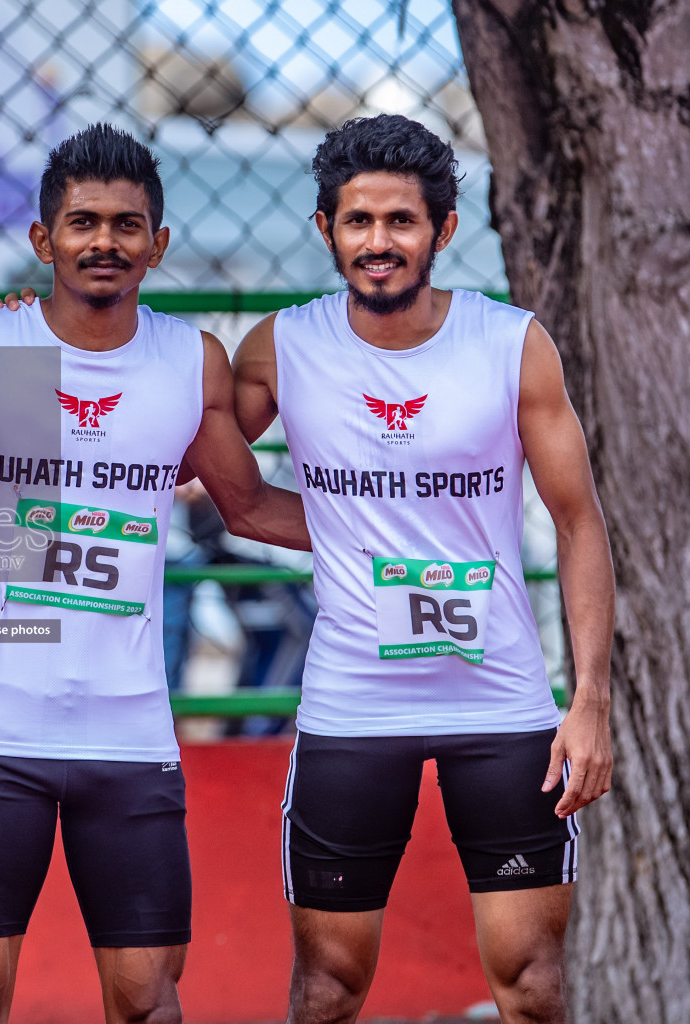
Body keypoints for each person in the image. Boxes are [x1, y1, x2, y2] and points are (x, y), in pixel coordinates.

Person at [0, 123, 310, 1024]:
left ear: (158, 243)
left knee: (148, 1005)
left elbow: (247, 507)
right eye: (83, 222)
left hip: (129, 741)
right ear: (43, 239)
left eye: (127, 224)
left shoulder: (186, 360)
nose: (105, 241)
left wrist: (398, 523)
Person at [230, 114, 613, 1024]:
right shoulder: (281, 347)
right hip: (353, 705)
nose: (378, 243)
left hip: (503, 703)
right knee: (327, 990)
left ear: (442, 229)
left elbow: (578, 521)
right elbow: (198, 475)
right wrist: (29, 342)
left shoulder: (511, 343)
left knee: (533, 989)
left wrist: (590, 701)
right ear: (325, 228)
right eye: (357, 221)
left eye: (401, 221)